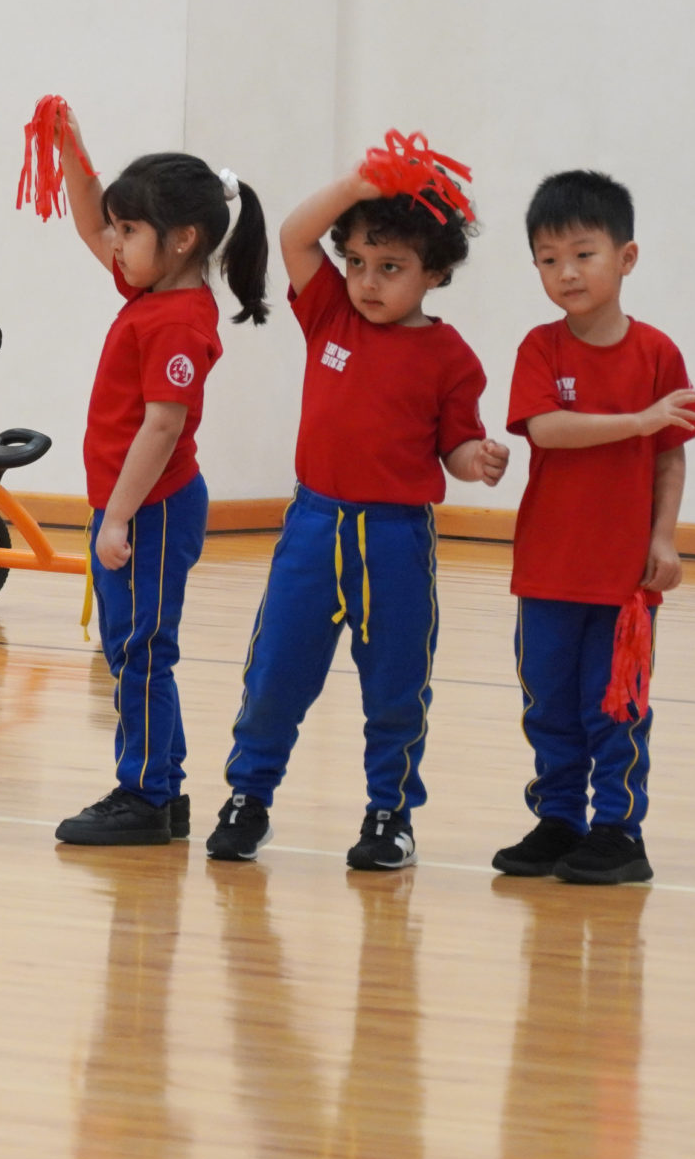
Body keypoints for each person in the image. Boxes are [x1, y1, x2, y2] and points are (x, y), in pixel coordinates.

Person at [208, 143, 508, 869]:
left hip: (396, 541)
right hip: (314, 526)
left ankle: (389, 814)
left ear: (436, 272)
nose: (368, 281)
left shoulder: (452, 359)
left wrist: (476, 460)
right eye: (357, 262)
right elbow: (293, 235)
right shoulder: (330, 315)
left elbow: (455, 446)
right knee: (276, 672)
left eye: (391, 267)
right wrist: (357, 185)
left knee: (396, 685)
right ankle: (249, 797)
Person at [46, 112, 271, 846]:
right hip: (136, 506)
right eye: (118, 228)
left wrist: (116, 517)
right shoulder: (152, 290)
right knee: (130, 648)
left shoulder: (176, 319)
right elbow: (89, 223)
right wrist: (72, 150)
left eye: (129, 230)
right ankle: (162, 789)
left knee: (142, 651)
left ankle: (144, 793)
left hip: (152, 510)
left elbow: (162, 427)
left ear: (182, 240)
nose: (112, 243)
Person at [491, 170, 695, 886]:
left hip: (622, 578)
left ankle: (619, 830)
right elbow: (546, 429)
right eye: (548, 259)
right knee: (549, 704)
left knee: (615, 706)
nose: (566, 273)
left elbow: (670, 457)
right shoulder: (540, 348)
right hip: (548, 568)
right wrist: (639, 421)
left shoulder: (658, 353)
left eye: (583, 254)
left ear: (626, 257)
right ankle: (559, 819)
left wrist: (663, 537)